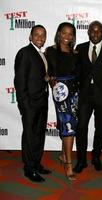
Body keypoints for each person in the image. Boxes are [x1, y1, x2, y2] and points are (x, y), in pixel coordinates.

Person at [73, 21, 102, 173]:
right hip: (84, 95)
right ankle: (81, 160)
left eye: (98, 31)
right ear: (88, 32)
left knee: (99, 128)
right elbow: (74, 69)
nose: (95, 34)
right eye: (93, 31)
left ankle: (96, 157)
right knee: (81, 127)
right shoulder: (80, 48)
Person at [14, 25, 51, 183]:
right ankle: (29, 168)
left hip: (42, 101)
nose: (40, 38)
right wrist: (24, 105)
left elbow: (38, 75)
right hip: (30, 104)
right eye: (37, 34)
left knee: (39, 134)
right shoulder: (25, 53)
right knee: (30, 136)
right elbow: (19, 81)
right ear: (30, 36)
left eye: (43, 35)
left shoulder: (42, 54)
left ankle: (36, 163)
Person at [45, 22, 79, 180]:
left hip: (74, 91)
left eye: (70, 33)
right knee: (68, 125)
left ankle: (64, 156)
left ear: (73, 36)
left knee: (70, 124)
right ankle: (69, 164)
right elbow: (47, 72)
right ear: (59, 34)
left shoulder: (75, 53)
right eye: (64, 33)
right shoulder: (50, 51)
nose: (67, 36)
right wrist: (50, 79)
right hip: (61, 91)